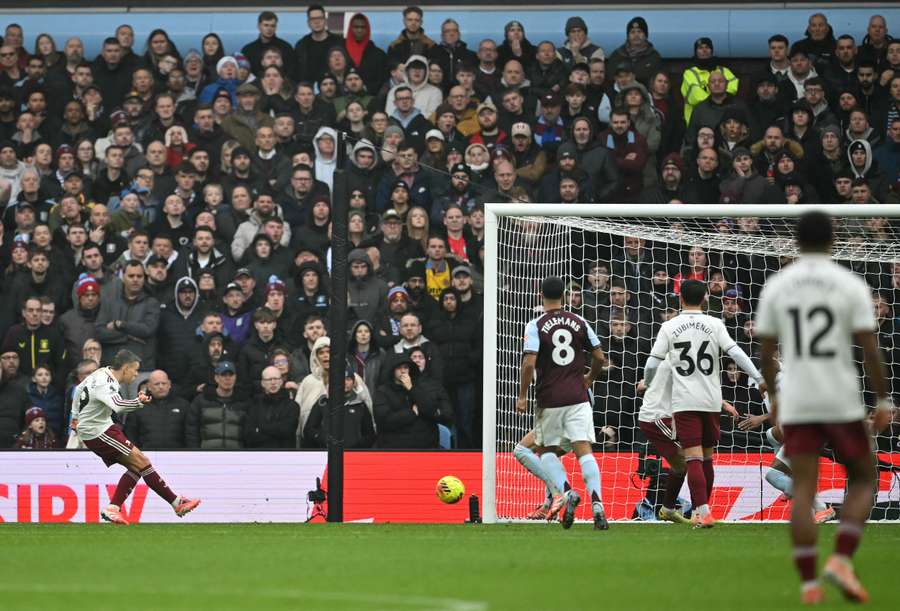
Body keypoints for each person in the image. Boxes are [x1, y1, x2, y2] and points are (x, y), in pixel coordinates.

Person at [755, 211, 893, 605]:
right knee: (866, 476)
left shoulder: (778, 287)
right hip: (838, 396)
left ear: (797, 242)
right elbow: (870, 349)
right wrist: (882, 399)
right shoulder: (848, 284)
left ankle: (808, 583)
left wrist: (776, 401)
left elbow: (766, 353)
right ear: (832, 240)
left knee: (802, 489)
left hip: (798, 397)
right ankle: (842, 559)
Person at [643, 279, 765, 528]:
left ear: (680, 299)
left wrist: (647, 381)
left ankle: (702, 512)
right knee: (707, 458)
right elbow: (736, 352)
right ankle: (703, 510)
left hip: (685, 401)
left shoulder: (669, 326)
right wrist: (758, 377)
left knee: (693, 458)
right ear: (706, 299)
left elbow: (652, 363)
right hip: (711, 399)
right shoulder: (715, 323)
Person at [516, 276, 610, 530]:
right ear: (565, 296)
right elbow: (600, 357)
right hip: (579, 398)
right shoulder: (579, 321)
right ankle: (598, 504)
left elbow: (529, 362)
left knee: (546, 452)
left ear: (540, 295)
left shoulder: (536, 324)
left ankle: (567, 493)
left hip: (551, 398)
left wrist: (523, 394)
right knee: (584, 451)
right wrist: (589, 377)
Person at [71, 349, 200, 525]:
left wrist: (75, 416)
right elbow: (117, 406)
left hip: (102, 427)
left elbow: (79, 389)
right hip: (98, 431)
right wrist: (138, 402)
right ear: (125, 368)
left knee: (138, 466)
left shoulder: (100, 372)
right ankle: (176, 502)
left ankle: (113, 508)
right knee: (142, 461)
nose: (136, 374)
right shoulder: (107, 382)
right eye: (135, 369)